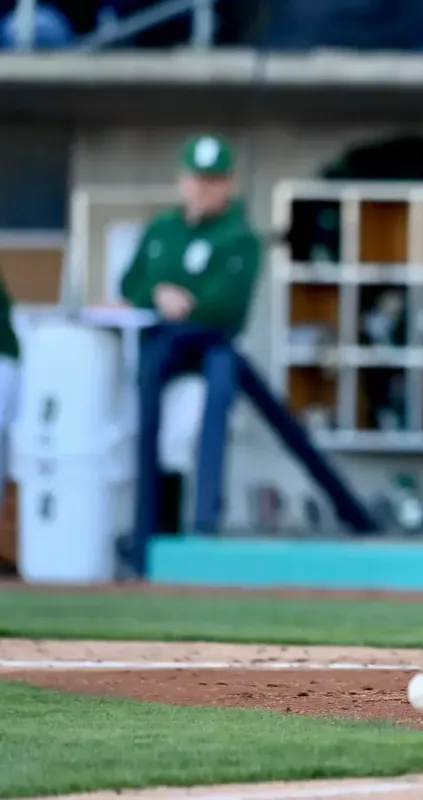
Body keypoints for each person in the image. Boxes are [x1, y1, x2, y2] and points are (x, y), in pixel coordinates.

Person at [117, 133, 262, 563]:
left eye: (214, 180)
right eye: (198, 179)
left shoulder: (239, 235)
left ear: (229, 183)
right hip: (159, 353)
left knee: (195, 431)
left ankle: (203, 524)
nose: (204, 188)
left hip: (209, 352)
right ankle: (150, 532)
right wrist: (157, 294)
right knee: (157, 439)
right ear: (183, 180)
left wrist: (188, 303)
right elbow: (130, 284)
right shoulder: (162, 230)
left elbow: (228, 302)